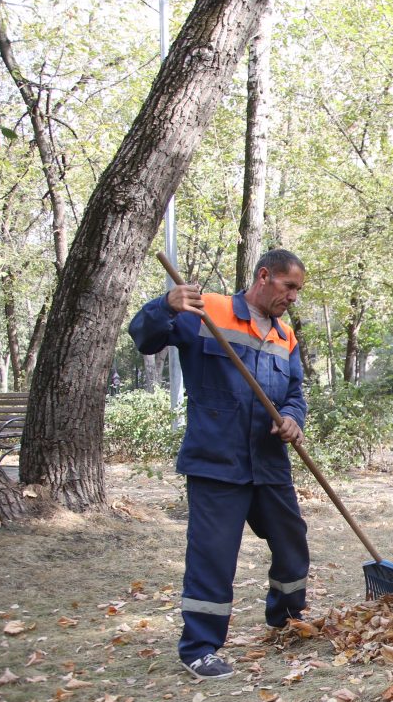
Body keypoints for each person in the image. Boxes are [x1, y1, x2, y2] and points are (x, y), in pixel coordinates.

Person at [129, 249, 310, 680]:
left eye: (298, 291)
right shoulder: (205, 310)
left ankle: (286, 618)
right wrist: (163, 305)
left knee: (292, 543)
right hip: (216, 462)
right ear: (264, 276)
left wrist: (291, 419)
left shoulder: (286, 337)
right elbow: (144, 337)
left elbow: (296, 394)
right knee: (213, 556)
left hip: (268, 464)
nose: (293, 298)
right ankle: (199, 648)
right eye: (289, 287)